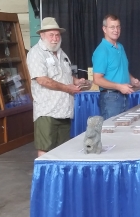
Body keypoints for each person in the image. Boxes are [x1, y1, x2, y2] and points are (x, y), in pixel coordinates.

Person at [27, 17, 84, 157]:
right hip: (47, 111)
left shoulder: (61, 53)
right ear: (42, 35)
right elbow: (42, 80)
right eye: (51, 35)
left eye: (57, 35)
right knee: (45, 149)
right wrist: (68, 88)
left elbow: (63, 76)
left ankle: (58, 179)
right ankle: (45, 179)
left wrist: (76, 81)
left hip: (64, 111)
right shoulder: (36, 53)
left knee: (63, 149)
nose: (55, 38)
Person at [91, 14, 140, 120]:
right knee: (113, 133)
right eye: (112, 27)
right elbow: (97, 79)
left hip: (124, 96)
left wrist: (132, 79)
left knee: (123, 132)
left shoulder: (120, 47)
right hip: (110, 99)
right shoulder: (101, 51)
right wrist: (119, 86)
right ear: (104, 29)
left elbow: (122, 69)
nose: (116, 30)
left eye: (118, 27)